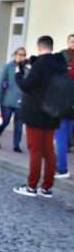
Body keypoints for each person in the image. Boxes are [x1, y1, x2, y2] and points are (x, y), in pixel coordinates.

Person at [13, 35, 67, 198]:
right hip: (53, 112)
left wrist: (18, 74)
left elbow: (26, 86)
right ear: (51, 47)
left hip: (36, 112)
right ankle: (47, 187)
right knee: (49, 151)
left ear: (39, 47)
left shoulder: (39, 65)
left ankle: (31, 186)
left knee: (35, 150)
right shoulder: (60, 64)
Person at [0, 47, 26, 152]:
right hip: (7, 100)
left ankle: (16, 145)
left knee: (18, 125)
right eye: (19, 54)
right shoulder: (7, 67)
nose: (21, 57)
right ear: (15, 55)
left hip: (20, 102)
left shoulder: (27, 70)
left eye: (23, 55)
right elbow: (0, 83)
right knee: (5, 121)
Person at [53, 33, 74, 178]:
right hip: (70, 106)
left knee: (61, 138)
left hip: (62, 107)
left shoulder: (58, 73)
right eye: (72, 41)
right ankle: (60, 166)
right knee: (64, 138)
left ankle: (61, 168)